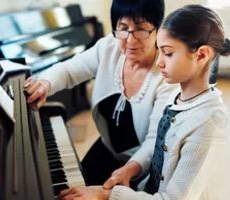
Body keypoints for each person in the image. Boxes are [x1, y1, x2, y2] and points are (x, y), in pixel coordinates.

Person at [58, 4, 230, 200]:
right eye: (159, 51)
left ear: (201, 55)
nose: (158, 62)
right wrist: (130, 169)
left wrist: (107, 195)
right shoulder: (175, 98)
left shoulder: (207, 122)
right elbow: (157, 146)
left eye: (167, 53)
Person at [25, 0, 174, 186]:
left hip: (142, 166)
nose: (130, 39)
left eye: (141, 29)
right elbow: (69, 70)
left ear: (159, 29)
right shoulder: (108, 48)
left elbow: (154, 141)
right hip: (106, 149)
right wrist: (45, 83)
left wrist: (127, 171)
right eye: (123, 27)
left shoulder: (167, 74)